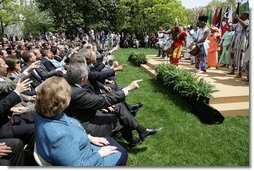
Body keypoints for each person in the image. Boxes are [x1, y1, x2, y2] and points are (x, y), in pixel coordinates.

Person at [35, 76, 128, 166]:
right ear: (62, 101)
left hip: (82, 147)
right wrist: (100, 154)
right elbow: (78, 165)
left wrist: (90, 138)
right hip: (88, 159)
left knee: (111, 141)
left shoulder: (44, 114)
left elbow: (70, 129)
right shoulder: (60, 136)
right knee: (122, 153)